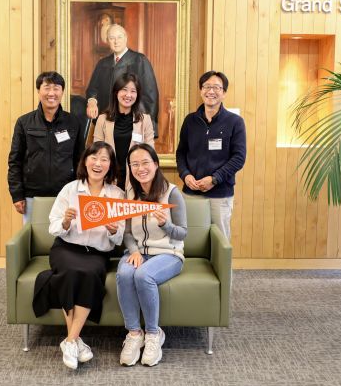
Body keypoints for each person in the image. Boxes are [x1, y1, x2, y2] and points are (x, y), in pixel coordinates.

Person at [32, 142, 125, 370]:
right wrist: (65, 221)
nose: (98, 163)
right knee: (72, 270)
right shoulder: (70, 190)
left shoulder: (117, 194)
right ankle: (74, 341)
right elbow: (53, 226)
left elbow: (120, 238)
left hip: (96, 254)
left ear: (110, 165)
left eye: (105, 159)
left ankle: (71, 340)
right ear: (85, 161)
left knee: (88, 272)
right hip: (66, 247)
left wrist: (114, 230)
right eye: (94, 157)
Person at [116, 144, 187, 367]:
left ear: (156, 164)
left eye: (145, 162)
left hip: (169, 253)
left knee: (142, 276)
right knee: (125, 273)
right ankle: (134, 334)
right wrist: (134, 251)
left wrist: (165, 224)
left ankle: (154, 335)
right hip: (139, 252)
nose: (140, 168)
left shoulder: (172, 192)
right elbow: (127, 233)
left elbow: (183, 233)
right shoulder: (129, 193)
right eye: (134, 164)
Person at [176, 71, 246, 239]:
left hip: (220, 194)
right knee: (191, 239)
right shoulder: (190, 121)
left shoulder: (235, 122)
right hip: (191, 192)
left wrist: (214, 179)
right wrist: (185, 176)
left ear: (224, 93)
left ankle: (223, 267)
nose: (211, 91)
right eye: (207, 86)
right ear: (201, 90)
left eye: (216, 87)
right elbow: (181, 153)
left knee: (220, 240)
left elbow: (238, 158)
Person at [8, 71, 84, 224]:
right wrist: (17, 195)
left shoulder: (73, 122)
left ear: (62, 92)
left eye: (56, 88)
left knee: (64, 240)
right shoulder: (24, 122)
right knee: (33, 239)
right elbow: (15, 161)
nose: (51, 93)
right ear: (38, 91)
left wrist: (80, 192)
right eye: (47, 88)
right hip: (32, 196)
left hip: (66, 194)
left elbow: (80, 159)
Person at [85, 24, 160, 137]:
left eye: (119, 37)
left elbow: (151, 95)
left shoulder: (140, 60)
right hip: (107, 121)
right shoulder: (103, 63)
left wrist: (148, 125)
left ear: (125, 38)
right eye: (112, 38)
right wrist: (92, 101)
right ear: (107, 41)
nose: (116, 41)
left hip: (134, 122)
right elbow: (93, 88)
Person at [93, 72, 155, 189]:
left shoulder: (145, 120)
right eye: (124, 90)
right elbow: (97, 152)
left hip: (136, 179)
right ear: (116, 92)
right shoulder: (102, 119)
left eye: (133, 91)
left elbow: (150, 153)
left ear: (137, 95)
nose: (128, 95)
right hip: (109, 178)